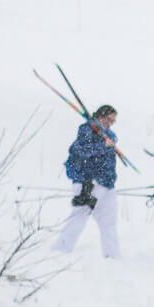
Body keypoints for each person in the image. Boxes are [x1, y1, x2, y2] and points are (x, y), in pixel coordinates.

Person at [52, 104, 124, 258]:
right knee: (79, 218)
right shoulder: (86, 130)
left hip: (107, 185)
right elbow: (81, 151)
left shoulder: (108, 135)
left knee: (109, 223)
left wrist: (108, 144)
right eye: (109, 119)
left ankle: (112, 257)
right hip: (89, 183)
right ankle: (60, 251)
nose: (111, 123)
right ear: (100, 116)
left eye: (113, 120)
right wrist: (103, 145)